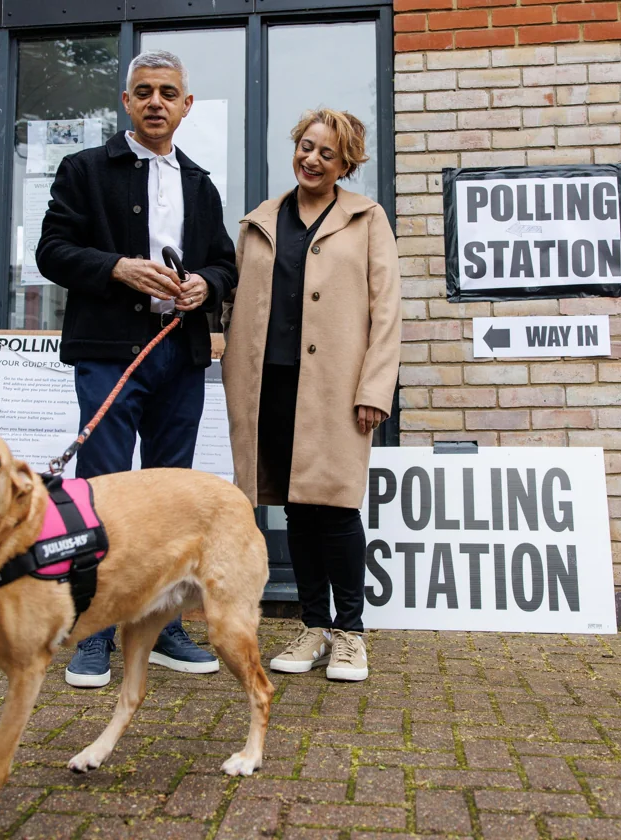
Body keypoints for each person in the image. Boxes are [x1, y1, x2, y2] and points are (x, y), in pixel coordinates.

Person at [37, 50, 238, 688]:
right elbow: (52, 251)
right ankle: (92, 628)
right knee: (101, 493)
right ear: (127, 102)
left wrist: (206, 283)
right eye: (144, 91)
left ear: (186, 106)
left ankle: (164, 626)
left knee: (172, 496)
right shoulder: (83, 170)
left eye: (168, 93)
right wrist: (117, 268)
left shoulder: (201, 183)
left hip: (179, 355)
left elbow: (225, 263)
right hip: (107, 352)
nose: (156, 102)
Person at [221, 109, 402, 682]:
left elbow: (388, 312)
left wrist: (375, 386)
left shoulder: (367, 220)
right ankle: (313, 625)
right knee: (297, 509)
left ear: (347, 163)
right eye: (306, 147)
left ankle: (351, 634)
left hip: (336, 388)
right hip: (269, 383)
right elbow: (232, 300)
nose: (312, 160)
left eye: (327, 153)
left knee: (338, 507)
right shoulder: (259, 222)